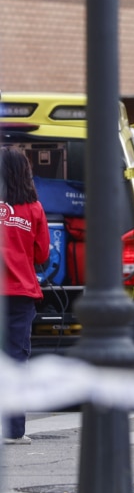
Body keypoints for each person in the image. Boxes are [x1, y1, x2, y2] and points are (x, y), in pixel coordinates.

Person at [1, 147, 50, 445]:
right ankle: (13, 431)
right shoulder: (34, 209)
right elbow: (42, 254)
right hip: (19, 294)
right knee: (16, 359)